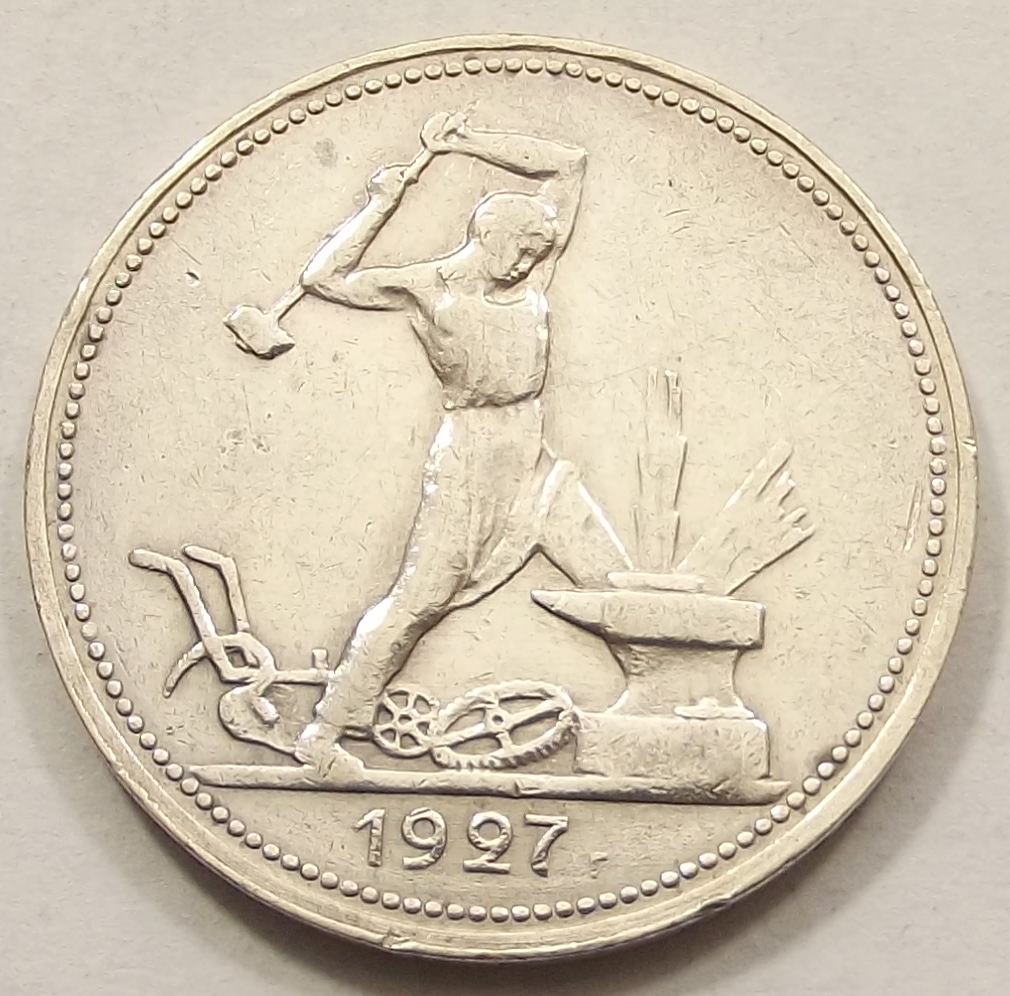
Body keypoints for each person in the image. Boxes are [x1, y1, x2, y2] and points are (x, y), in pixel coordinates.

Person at [293, 112, 632, 772]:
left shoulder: (533, 279)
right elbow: (323, 279)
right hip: (470, 462)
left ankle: (649, 719)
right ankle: (325, 734)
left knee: (612, 578)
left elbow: (569, 162)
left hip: (533, 458)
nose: (530, 263)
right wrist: (379, 204)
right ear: (489, 237)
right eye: (522, 251)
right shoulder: (427, 289)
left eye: (538, 252)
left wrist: (468, 142)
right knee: (420, 598)